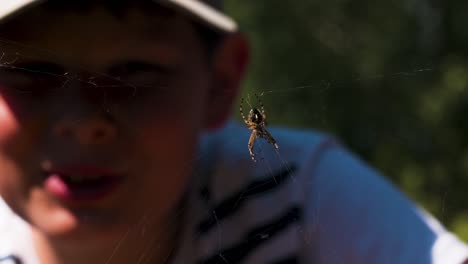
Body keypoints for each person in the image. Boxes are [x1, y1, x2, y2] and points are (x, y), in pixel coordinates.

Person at [0, 0, 466, 263]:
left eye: (134, 71)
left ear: (221, 83)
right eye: (32, 70)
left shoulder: (297, 191)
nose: (84, 123)